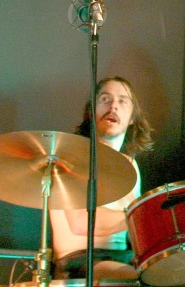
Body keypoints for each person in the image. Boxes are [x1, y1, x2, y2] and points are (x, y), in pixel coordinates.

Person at [50, 76, 154, 280]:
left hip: (122, 258)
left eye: (123, 101)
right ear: (90, 112)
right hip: (79, 261)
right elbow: (81, 223)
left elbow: (135, 236)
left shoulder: (131, 165)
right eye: (105, 99)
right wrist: (141, 216)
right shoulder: (74, 157)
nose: (113, 105)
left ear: (133, 117)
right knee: (148, 280)